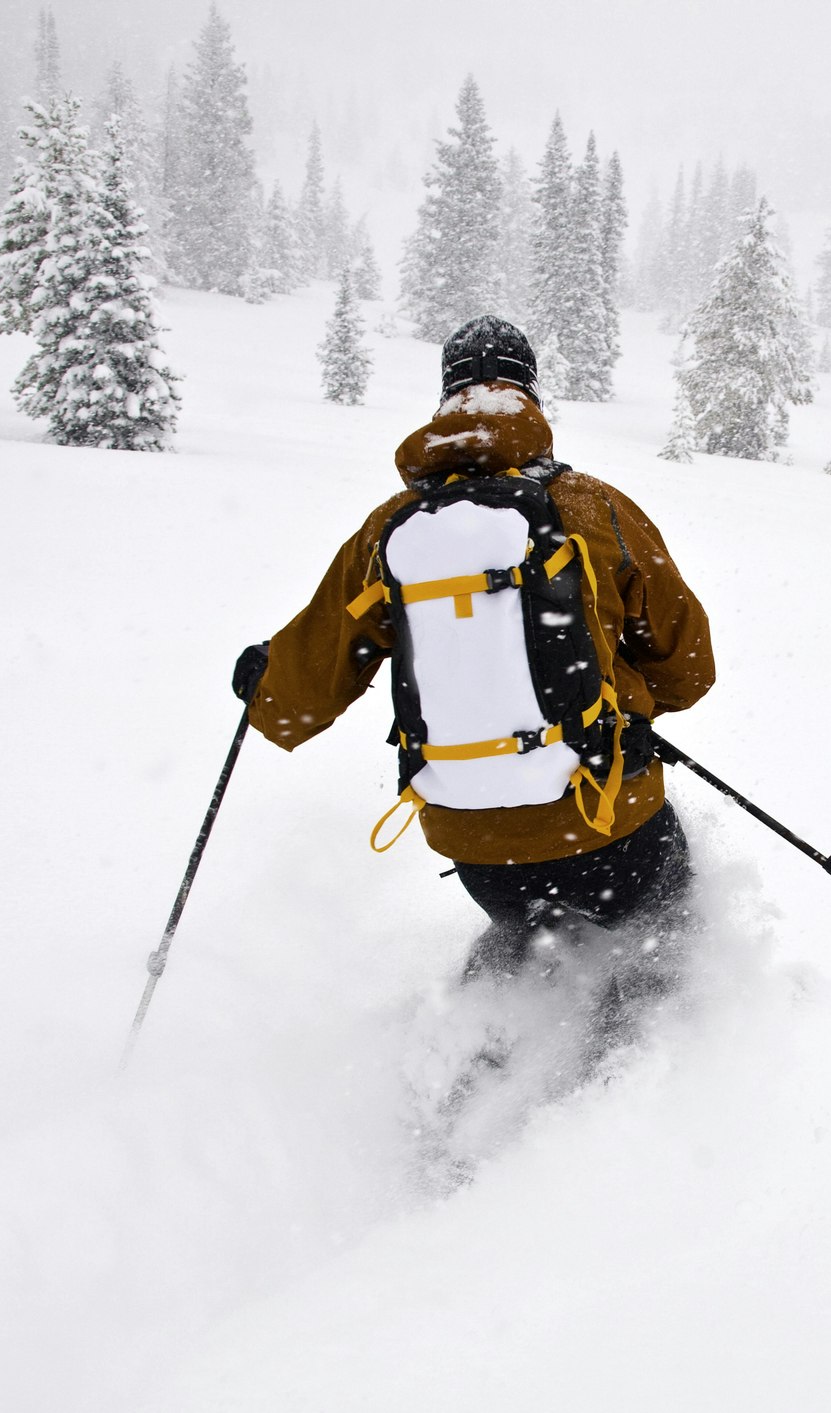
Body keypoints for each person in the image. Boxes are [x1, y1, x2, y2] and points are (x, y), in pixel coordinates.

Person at [231, 316, 714, 1038]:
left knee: (524, 915)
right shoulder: (594, 507)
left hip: (476, 844)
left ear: (446, 399)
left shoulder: (389, 530)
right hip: (612, 823)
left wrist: (263, 684)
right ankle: (641, 1059)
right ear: (532, 396)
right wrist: (622, 701)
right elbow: (689, 669)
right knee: (669, 924)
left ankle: (474, 1047)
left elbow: (295, 698)